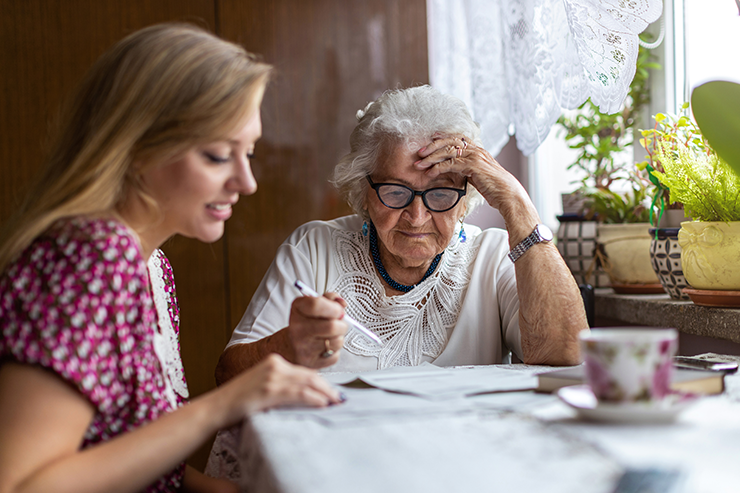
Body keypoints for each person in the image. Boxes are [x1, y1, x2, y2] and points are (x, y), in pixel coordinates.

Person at [0, 23, 344, 493]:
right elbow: (22, 485)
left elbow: (127, 455)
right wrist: (226, 404)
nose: (248, 182)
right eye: (219, 155)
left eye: (250, 153)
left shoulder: (151, 266)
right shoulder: (90, 257)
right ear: (139, 146)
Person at [214, 85, 587, 382]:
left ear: (464, 198)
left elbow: (568, 357)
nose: (417, 216)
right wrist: (288, 345)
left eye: (440, 193)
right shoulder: (314, 248)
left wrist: (516, 203)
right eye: (395, 192)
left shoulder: (491, 257)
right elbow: (229, 375)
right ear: (364, 192)